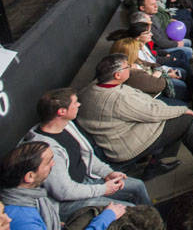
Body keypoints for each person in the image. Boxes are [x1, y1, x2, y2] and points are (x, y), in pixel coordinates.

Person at [21, 88, 150, 220]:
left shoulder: (67, 126)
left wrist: (107, 173)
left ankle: (154, 221)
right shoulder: (46, 150)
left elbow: (86, 156)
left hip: (86, 181)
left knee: (137, 186)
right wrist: (103, 189)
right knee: (130, 211)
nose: (79, 104)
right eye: (75, 103)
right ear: (62, 112)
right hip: (67, 201)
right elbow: (64, 192)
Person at [76, 54, 193, 175]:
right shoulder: (117, 99)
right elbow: (153, 113)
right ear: (117, 75)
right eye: (127, 67)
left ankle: (156, 163)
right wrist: (183, 109)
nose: (130, 68)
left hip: (119, 134)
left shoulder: (90, 88)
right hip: (126, 144)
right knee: (186, 119)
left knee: (173, 116)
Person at [0, 142, 126, 230]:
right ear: (30, 177)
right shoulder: (24, 222)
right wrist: (107, 217)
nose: (53, 164)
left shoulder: (28, 195)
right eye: (48, 162)